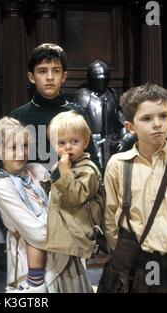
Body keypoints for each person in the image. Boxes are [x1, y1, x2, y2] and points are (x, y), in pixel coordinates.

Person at [98, 83, 167, 293]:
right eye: (146, 118)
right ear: (130, 127)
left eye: (163, 116)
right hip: (130, 253)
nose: (157, 124)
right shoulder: (118, 165)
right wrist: (123, 248)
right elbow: (109, 214)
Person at [0, 117, 92, 293]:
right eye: (13, 148)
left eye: (25, 146)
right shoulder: (1, 185)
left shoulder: (37, 170)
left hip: (64, 252)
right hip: (33, 260)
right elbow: (38, 234)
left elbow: (64, 197)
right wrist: (69, 224)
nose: (21, 154)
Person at [9, 43, 99, 169]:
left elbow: (92, 162)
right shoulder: (17, 117)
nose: (50, 77)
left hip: (72, 185)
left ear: (63, 76)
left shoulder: (77, 114)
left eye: (56, 71)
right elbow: (9, 166)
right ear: (31, 77)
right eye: (42, 71)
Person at [45, 110, 104, 272]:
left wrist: (64, 173)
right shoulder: (59, 166)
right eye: (61, 143)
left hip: (77, 235)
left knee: (75, 279)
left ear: (85, 142)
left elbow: (75, 197)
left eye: (74, 141)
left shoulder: (88, 170)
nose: (68, 147)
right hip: (61, 233)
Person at [75, 59, 136, 172]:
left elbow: (120, 119)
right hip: (90, 142)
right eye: (98, 79)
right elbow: (77, 123)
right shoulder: (82, 95)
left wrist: (124, 140)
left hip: (111, 141)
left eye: (104, 78)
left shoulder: (111, 94)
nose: (102, 81)